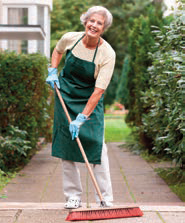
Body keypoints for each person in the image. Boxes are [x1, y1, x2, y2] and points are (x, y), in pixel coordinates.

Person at [46, 6, 116, 209]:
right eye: (91, 20)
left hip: (90, 100)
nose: (94, 25)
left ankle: (105, 199)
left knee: (97, 147)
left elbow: (98, 91)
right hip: (65, 96)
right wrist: (52, 71)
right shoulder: (70, 38)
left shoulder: (107, 54)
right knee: (67, 146)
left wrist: (81, 118)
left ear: (103, 28)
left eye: (99, 23)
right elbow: (58, 51)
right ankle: (72, 196)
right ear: (85, 21)